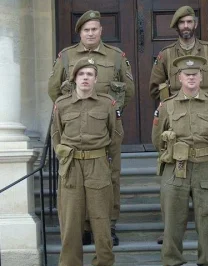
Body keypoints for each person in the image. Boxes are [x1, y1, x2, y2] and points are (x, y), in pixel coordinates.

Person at [48, 10, 135, 246]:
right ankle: (82, 228)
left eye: (94, 29)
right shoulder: (66, 57)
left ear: (101, 31)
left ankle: (109, 225)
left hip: (105, 128)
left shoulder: (115, 56)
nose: (90, 33)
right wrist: (69, 110)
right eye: (86, 30)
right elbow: (54, 89)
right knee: (74, 180)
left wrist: (109, 113)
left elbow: (128, 89)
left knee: (111, 175)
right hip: (75, 128)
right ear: (80, 33)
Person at [149, 5, 208, 244]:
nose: (186, 26)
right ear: (176, 26)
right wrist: (173, 101)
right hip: (177, 115)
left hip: (206, 115)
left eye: (189, 22)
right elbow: (155, 86)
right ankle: (171, 232)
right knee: (172, 185)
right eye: (181, 23)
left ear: (195, 24)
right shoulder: (165, 55)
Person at [152, 55, 208, 266]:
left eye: (195, 74)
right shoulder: (167, 105)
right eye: (187, 75)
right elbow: (157, 139)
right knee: (172, 223)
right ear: (179, 78)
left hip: (206, 166)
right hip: (175, 168)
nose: (191, 78)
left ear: (201, 77)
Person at [51, 57, 122, 266]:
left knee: (101, 222)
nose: (85, 77)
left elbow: (115, 139)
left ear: (95, 78)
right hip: (71, 168)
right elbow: (56, 137)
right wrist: (64, 159)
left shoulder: (107, 104)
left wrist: (110, 171)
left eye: (90, 74)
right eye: (81, 73)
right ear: (74, 78)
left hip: (98, 165)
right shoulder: (61, 105)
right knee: (70, 223)